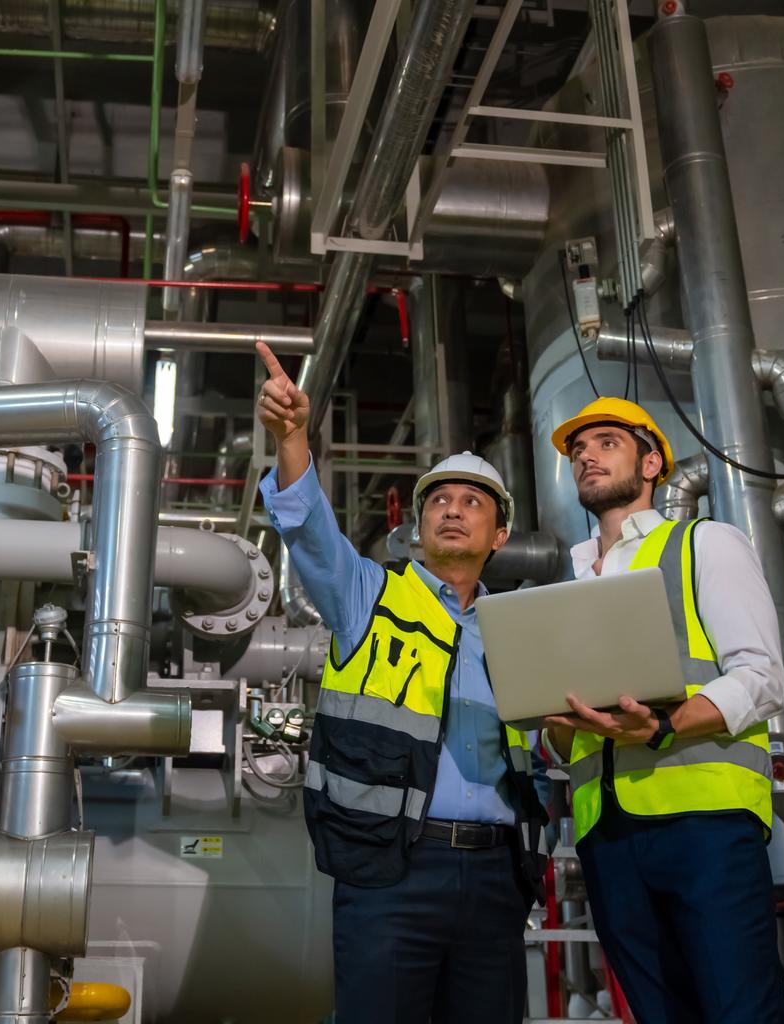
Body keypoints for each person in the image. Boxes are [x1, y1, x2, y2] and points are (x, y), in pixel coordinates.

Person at [252, 341, 547, 1024]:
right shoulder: (368, 595)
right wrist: (293, 437)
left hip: (499, 877)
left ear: (499, 534)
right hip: (392, 871)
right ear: (417, 526)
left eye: (472, 502)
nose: (451, 509)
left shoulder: (518, 628)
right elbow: (309, 527)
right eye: (438, 499)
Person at [542, 396, 784, 1024]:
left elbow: (761, 678)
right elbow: (559, 741)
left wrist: (663, 726)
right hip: (606, 837)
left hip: (706, 823)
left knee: (740, 1013)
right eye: (578, 450)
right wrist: (556, 731)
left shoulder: (705, 544)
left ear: (651, 462)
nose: (586, 457)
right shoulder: (565, 584)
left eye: (605, 443)